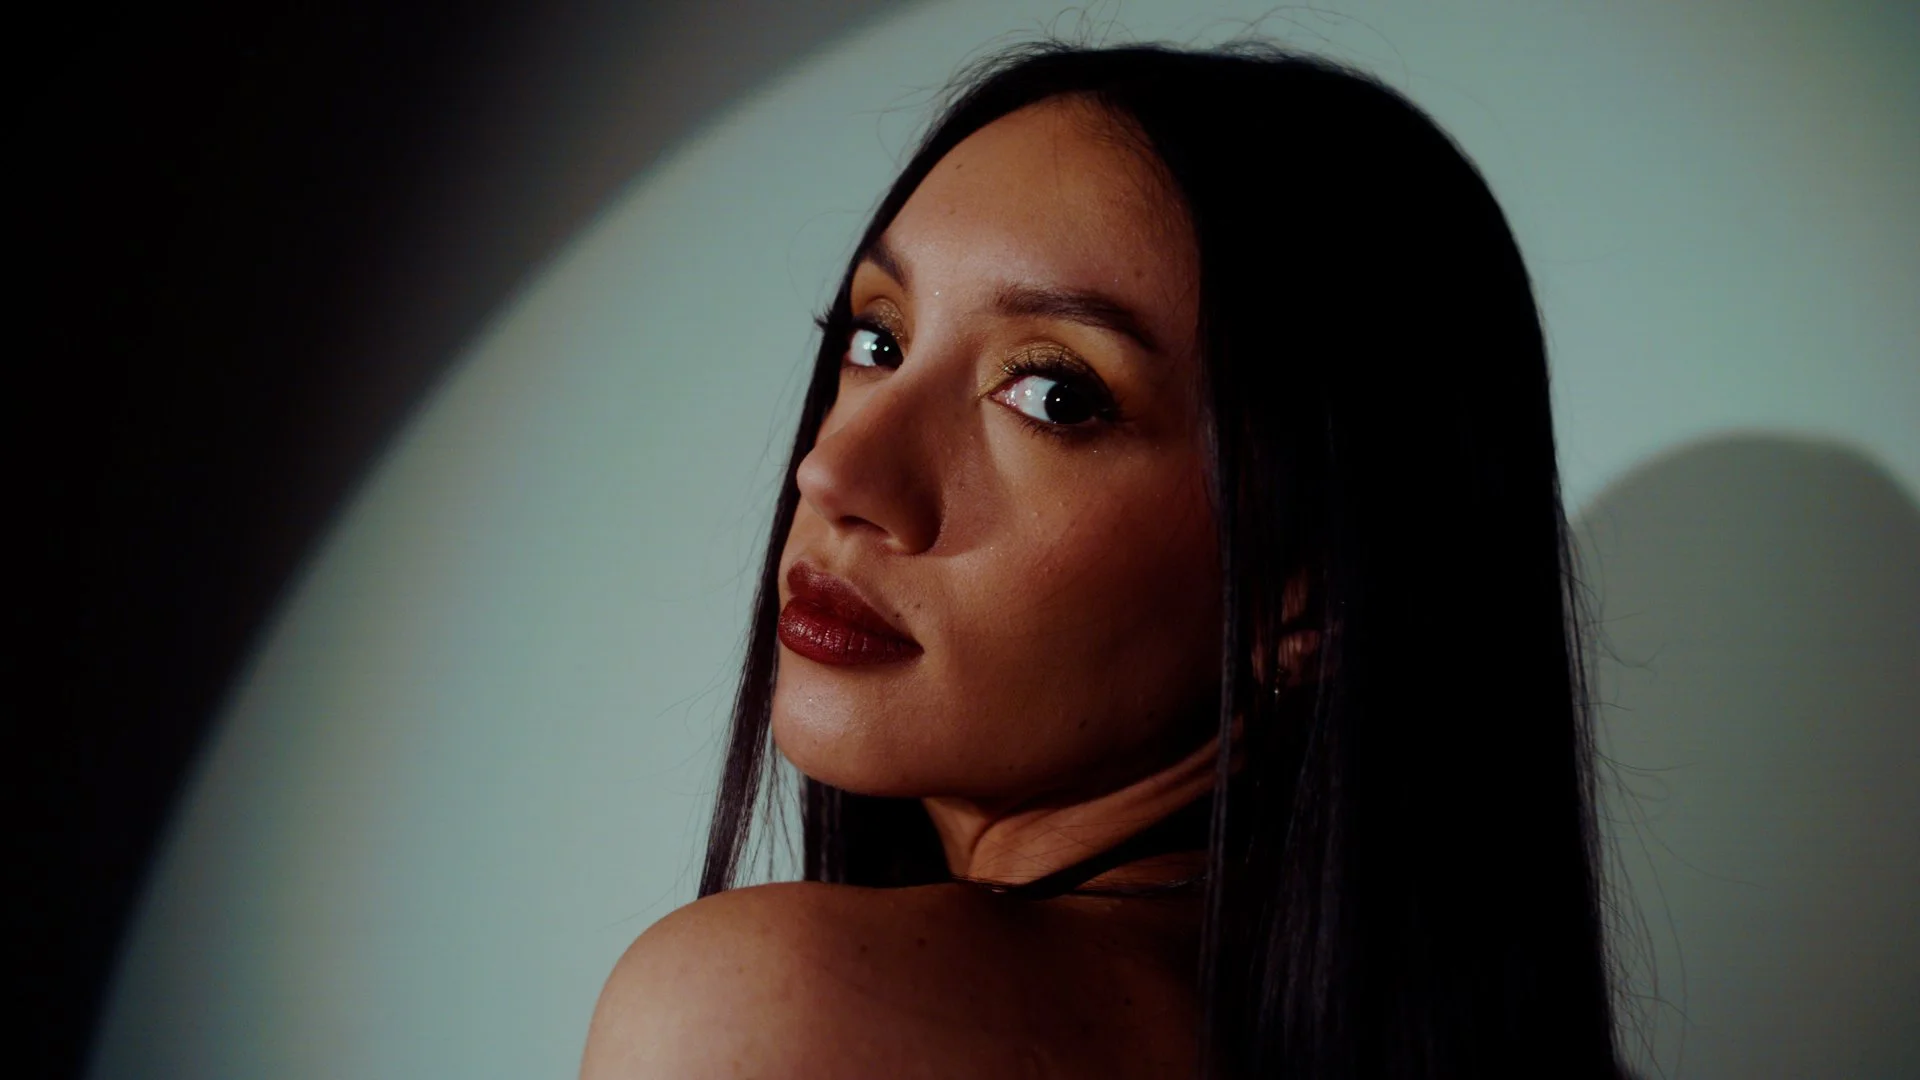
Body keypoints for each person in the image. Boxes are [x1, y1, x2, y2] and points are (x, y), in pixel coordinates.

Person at [581, 42, 1627, 1079]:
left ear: (1310, 598)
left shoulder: (763, 1014)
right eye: (877, 340)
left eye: (1053, 394)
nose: (835, 471)